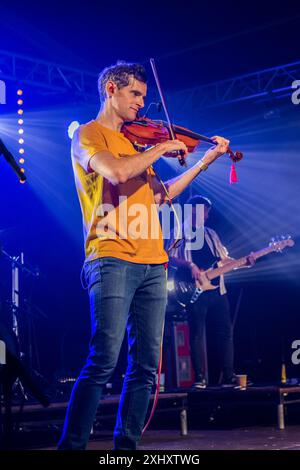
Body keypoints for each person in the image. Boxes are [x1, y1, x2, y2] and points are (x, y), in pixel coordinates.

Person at [58, 61, 230, 450]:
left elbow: (161, 193)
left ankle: (127, 447)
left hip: (153, 262)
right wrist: (157, 149)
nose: (140, 104)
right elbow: (116, 174)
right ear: (111, 91)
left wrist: (204, 161)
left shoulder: (136, 144)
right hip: (111, 256)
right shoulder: (88, 135)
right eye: (135, 94)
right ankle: (72, 446)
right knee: (103, 359)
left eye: (143, 97)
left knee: (147, 368)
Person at [168, 195, 252, 389]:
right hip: (192, 289)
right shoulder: (179, 232)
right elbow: (169, 257)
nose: (207, 214)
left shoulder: (211, 234)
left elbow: (223, 259)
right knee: (197, 333)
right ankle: (199, 378)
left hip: (216, 290)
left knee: (225, 331)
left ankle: (229, 375)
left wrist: (243, 263)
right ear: (194, 211)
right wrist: (190, 265)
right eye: (204, 210)